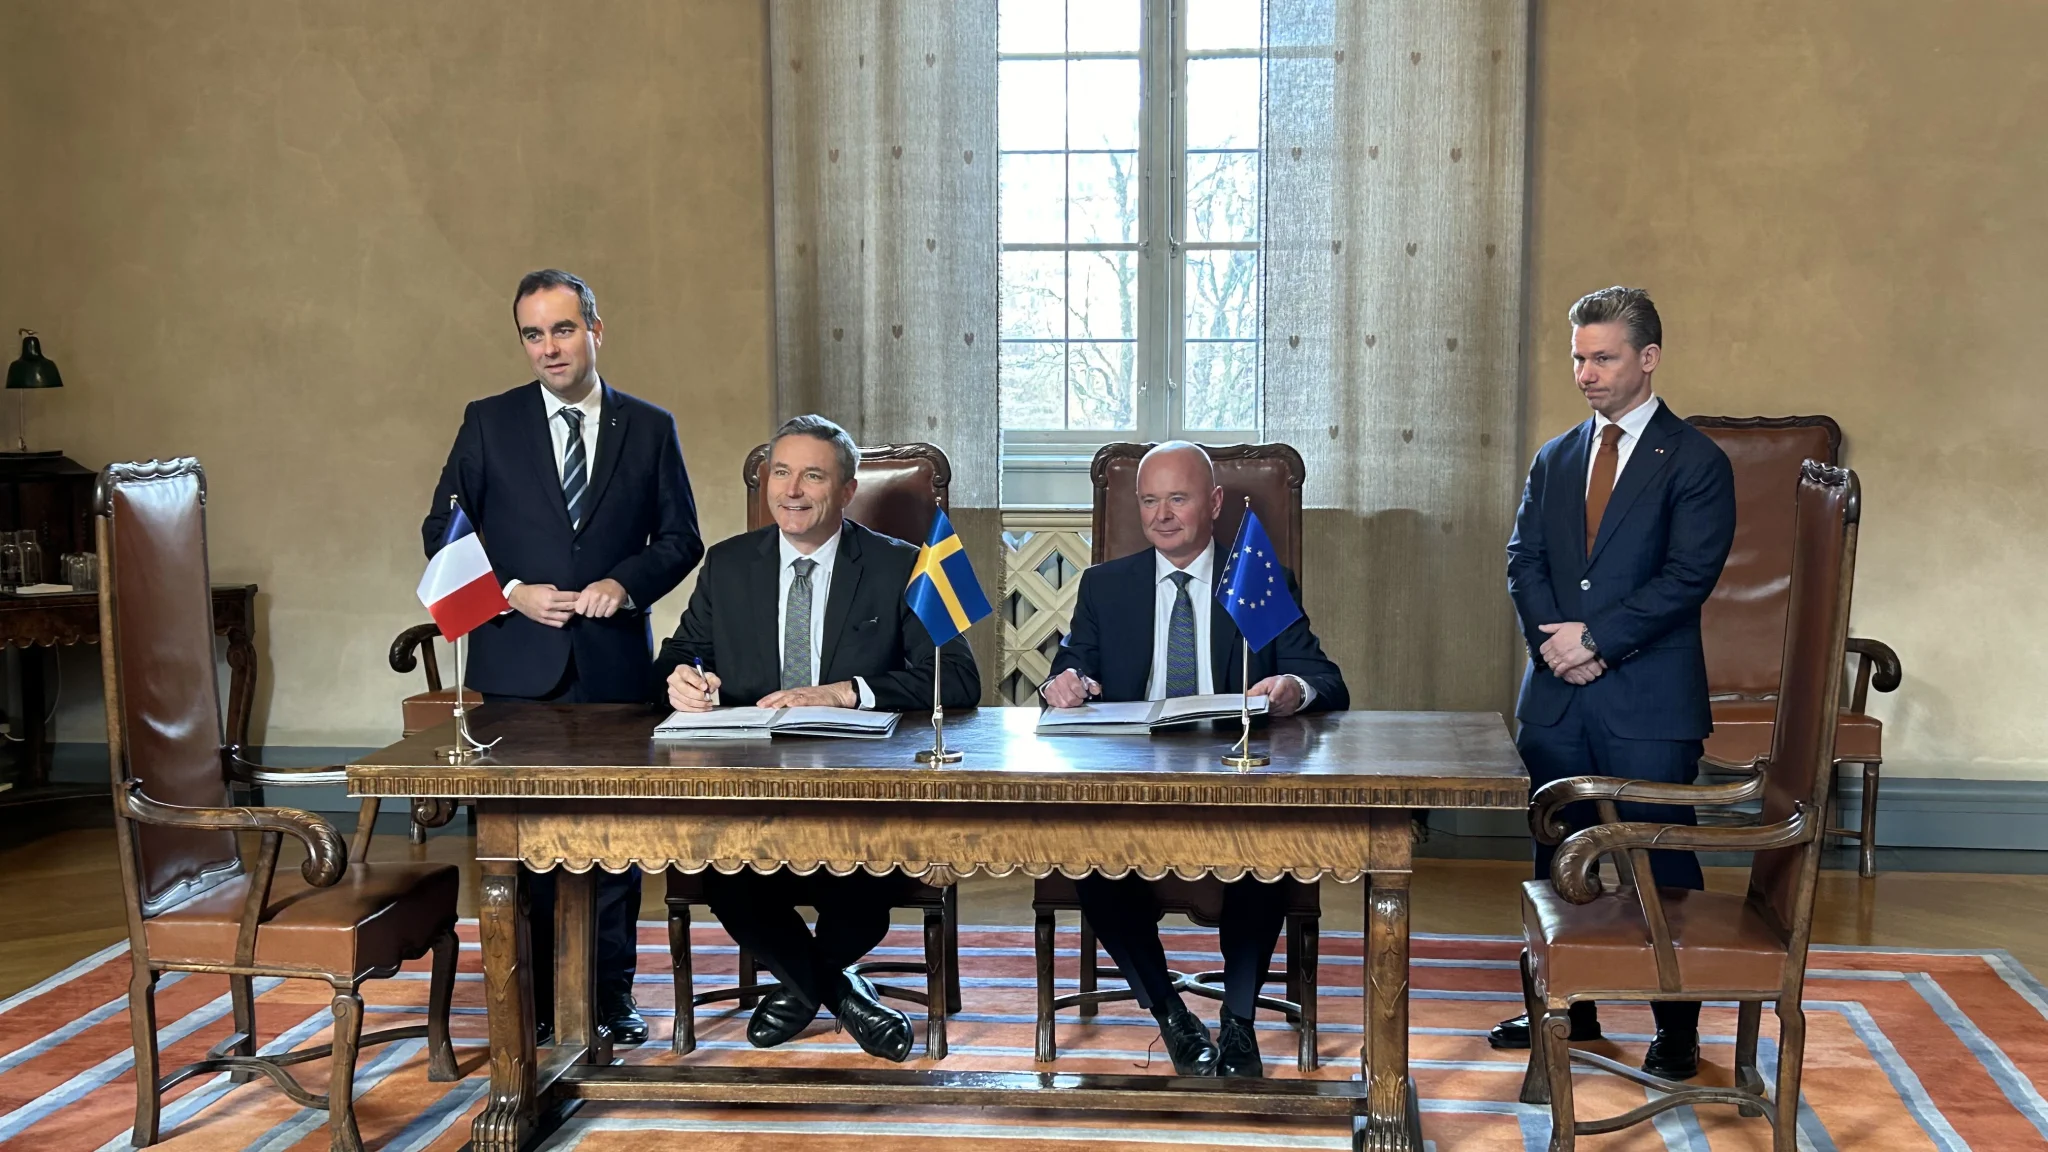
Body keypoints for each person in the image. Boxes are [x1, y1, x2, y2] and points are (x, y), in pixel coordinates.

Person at [423, 269, 703, 1046]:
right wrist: (511, 592)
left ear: (595, 331)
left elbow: (682, 538)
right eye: (533, 334)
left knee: (613, 843)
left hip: (614, 667)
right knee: (527, 843)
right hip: (517, 668)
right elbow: (442, 533)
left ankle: (611, 996)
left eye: (563, 329)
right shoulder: (489, 422)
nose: (549, 347)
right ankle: (537, 998)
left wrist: (625, 582)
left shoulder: (649, 427)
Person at [652, 414, 980, 1062]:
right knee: (726, 877)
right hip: (749, 794)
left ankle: (802, 988)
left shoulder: (898, 564)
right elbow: (681, 653)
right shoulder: (728, 565)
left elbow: (958, 678)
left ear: (848, 489)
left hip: (857, 794)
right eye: (780, 473)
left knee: (865, 887)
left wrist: (846, 691)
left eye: (812, 476)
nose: (792, 490)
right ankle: (842, 991)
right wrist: (682, 679)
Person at [1041, 441, 1347, 1078]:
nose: (1161, 515)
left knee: (1266, 851)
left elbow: (1326, 679)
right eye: (1149, 501)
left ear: (1212, 503)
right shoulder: (1106, 586)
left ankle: (1239, 1022)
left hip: (1234, 779)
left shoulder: (1255, 580)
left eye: (1177, 499)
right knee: (1088, 852)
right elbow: (1072, 665)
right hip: (1133, 780)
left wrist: (1293, 689)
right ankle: (1171, 1015)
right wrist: (1063, 682)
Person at [1494, 286, 1736, 1081]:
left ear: (1649, 358)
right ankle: (1567, 1009)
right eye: (1578, 358)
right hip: (1557, 699)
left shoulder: (1695, 461)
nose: (1586, 374)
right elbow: (1524, 561)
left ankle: (1677, 1028)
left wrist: (1594, 640)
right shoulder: (1556, 456)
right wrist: (1558, 649)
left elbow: (1687, 578)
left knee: (1660, 865)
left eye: (1602, 358)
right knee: (1555, 859)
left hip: (1648, 703)